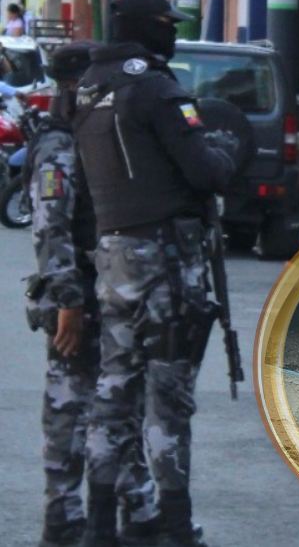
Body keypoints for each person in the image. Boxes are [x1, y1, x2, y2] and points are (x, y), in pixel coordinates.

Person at [72, 0, 238, 547]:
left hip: (114, 255)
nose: (173, 29)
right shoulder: (154, 88)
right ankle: (173, 527)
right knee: (168, 399)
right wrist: (226, 151)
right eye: (167, 21)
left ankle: (99, 525)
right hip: (165, 259)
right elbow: (205, 172)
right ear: (150, 26)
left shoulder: (91, 88)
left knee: (114, 390)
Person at [25, 41, 159, 547]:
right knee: (69, 408)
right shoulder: (60, 142)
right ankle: (62, 519)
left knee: (120, 404)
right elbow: (51, 228)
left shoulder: (91, 131)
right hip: (80, 298)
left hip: (111, 294)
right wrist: (68, 302)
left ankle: (138, 510)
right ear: (74, 84)